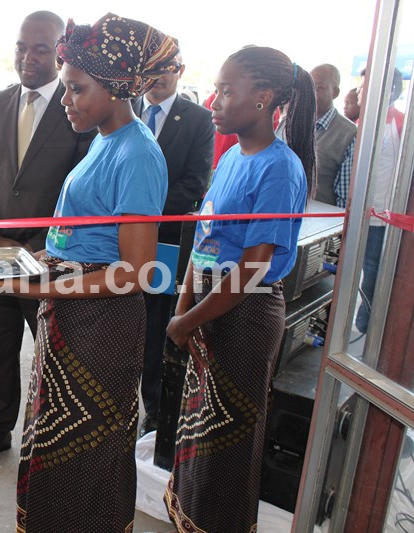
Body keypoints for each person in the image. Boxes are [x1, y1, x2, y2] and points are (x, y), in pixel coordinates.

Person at [0, 12, 176, 531]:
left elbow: (135, 273)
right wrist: (20, 270)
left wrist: (21, 283)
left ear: (117, 86)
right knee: (58, 450)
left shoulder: (138, 154)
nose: (66, 100)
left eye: (77, 89)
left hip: (100, 330)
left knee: (86, 458)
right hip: (72, 318)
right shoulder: (106, 137)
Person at [165, 46, 315, 532]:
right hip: (209, 309)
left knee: (226, 450)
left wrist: (188, 320)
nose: (214, 100)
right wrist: (184, 305)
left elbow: (253, 267)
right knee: (197, 439)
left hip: (243, 316)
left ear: (263, 98)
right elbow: (205, 239)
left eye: (227, 91)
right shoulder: (231, 156)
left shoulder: (280, 167)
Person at [0, 10, 94, 468]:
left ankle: (50, 441)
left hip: (47, 260)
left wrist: (39, 245)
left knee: (52, 357)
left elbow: (81, 190)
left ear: (59, 52)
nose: (27, 57)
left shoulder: (79, 109)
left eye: (39, 48)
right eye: (20, 47)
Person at [131, 51, 215, 436]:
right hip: (118, 240)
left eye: (167, 68)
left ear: (180, 71)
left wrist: (139, 210)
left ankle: (153, 408)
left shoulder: (198, 119)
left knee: (154, 324)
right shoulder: (124, 107)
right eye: (151, 68)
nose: (157, 77)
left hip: (164, 242)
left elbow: (195, 183)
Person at [354, 67, 404, 335]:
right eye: (361, 87)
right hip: (355, 213)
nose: (361, 92)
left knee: (371, 271)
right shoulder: (362, 123)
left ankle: (367, 326)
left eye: (366, 86)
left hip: (380, 217)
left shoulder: (399, 123)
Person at [277, 63, 356, 207]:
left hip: (318, 223)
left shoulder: (349, 135)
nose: (311, 91)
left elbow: (344, 200)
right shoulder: (287, 123)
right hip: (279, 214)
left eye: (319, 87)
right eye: (309, 85)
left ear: (335, 92)